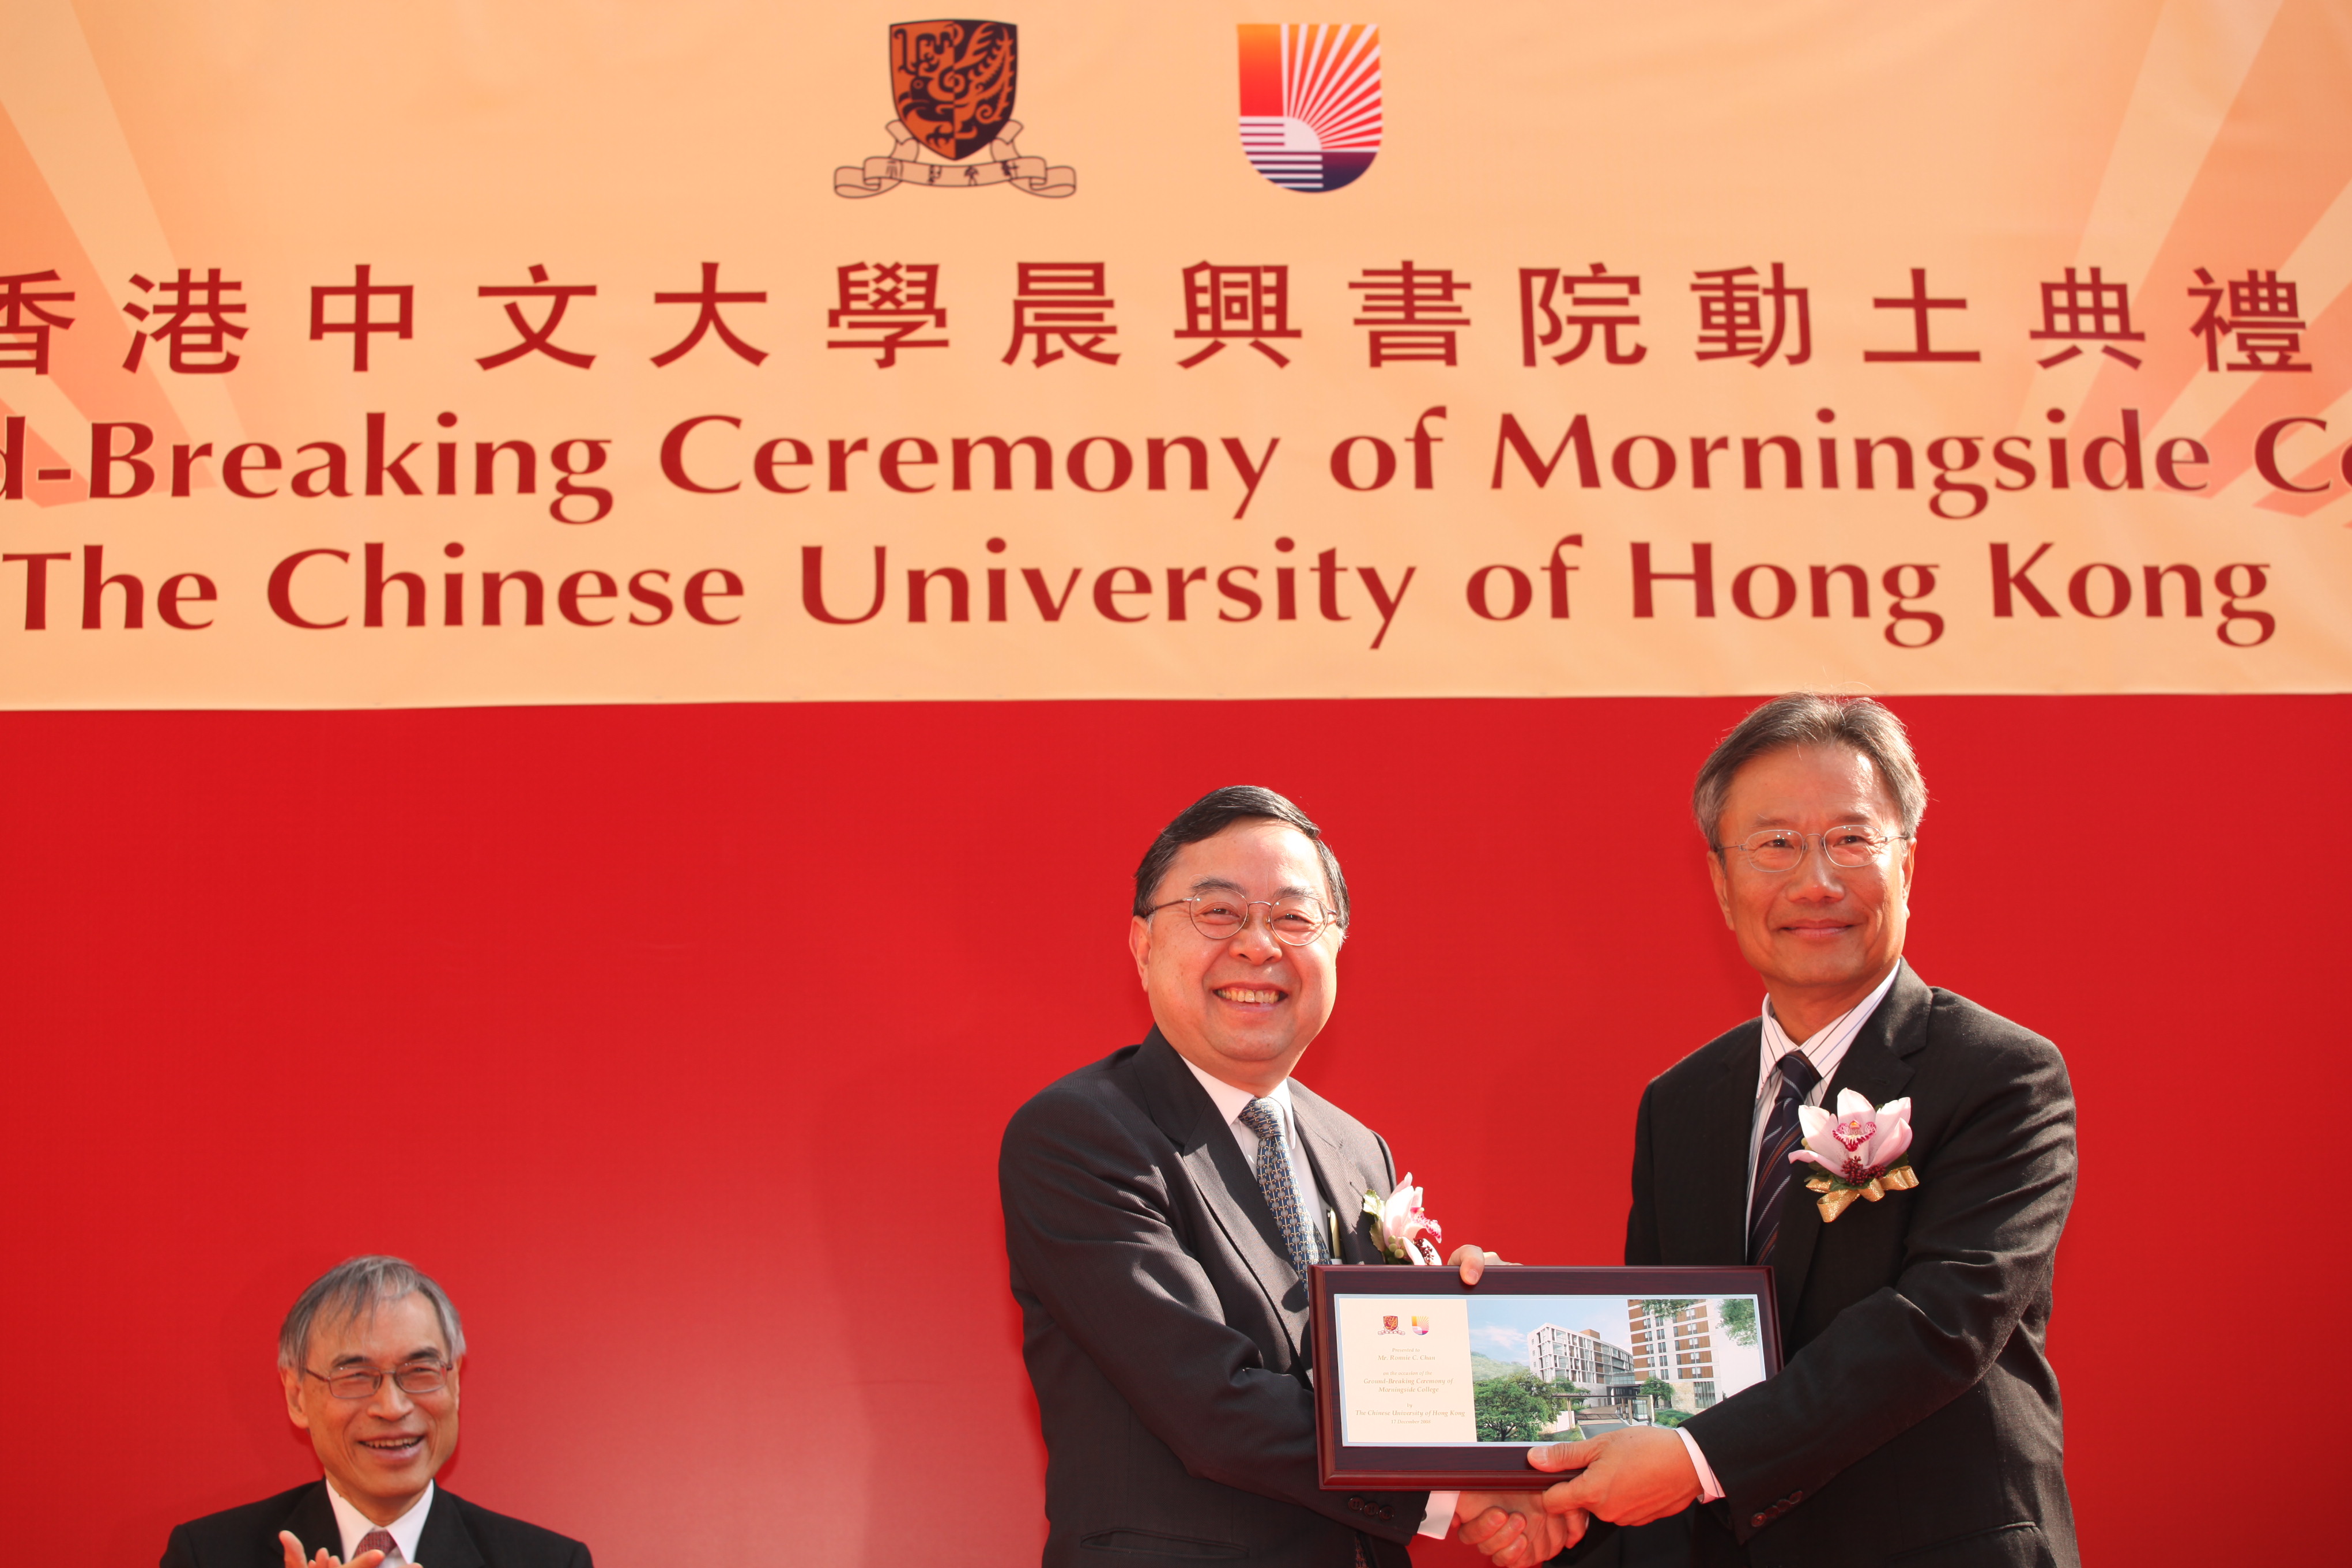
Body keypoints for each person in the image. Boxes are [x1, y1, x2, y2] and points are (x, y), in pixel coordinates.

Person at [1471, 694, 2078, 1567]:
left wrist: (1694, 1460)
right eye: (1776, 845)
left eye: (1851, 839)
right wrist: (1546, 1454)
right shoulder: (1680, 1103)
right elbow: (1668, 1356)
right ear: (1721, 883)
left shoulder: (2000, 1074)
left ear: (1907, 863)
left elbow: (1940, 1324)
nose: (1815, 882)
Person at [999, 786, 1561, 1567]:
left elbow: (1374, 1381)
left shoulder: (1356, 1148)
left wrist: (1477, 1347)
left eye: (1294, 918)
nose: (1259, 947)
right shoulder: (1083, 1135)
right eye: (1218, 913)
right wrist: (1458, 1493)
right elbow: (1209, 1403)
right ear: (1142, 946)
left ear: (1336, 948)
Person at [161, 1255, 591, 1568]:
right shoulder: (209, 1556)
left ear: (455, 1384)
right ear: (297, 1398)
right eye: (355, 1377)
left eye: (419, 1371)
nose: (392, 1407)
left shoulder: (550, 1562)